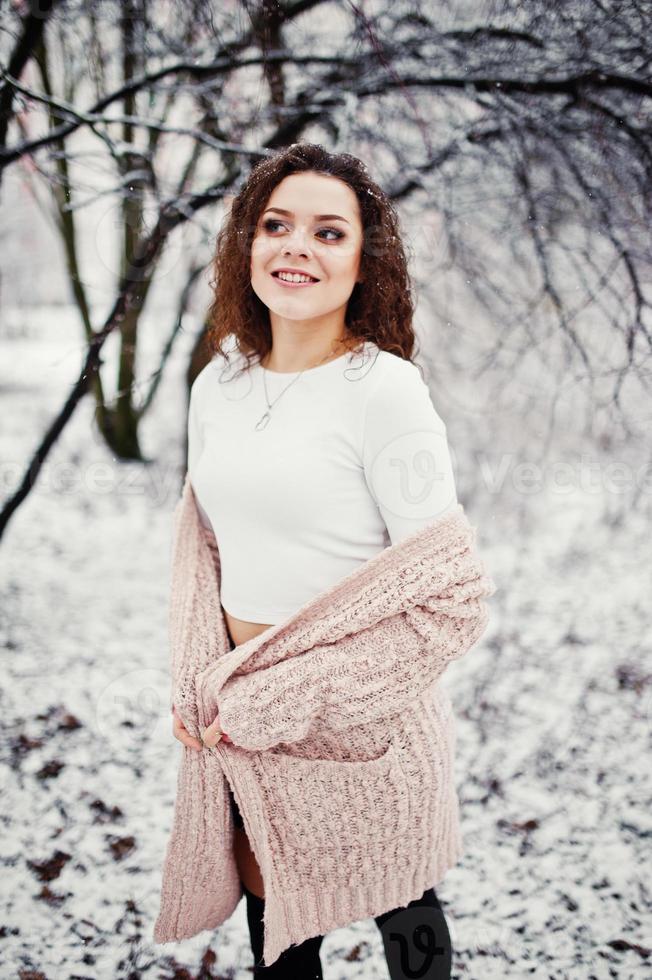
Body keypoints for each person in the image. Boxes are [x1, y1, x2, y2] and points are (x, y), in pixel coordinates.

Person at [172, 142, 458, 978]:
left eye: (329, 232)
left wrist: (292, 694)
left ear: (364, 263)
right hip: (246, 723)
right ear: (247, 246)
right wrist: (201, 679)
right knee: (279, 935)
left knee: (403, 912)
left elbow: (450, 600)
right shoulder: (217, 384)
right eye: (276, 224)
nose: (297, 246)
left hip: (364, 717)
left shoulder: (384, 391)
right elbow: (208, 548)